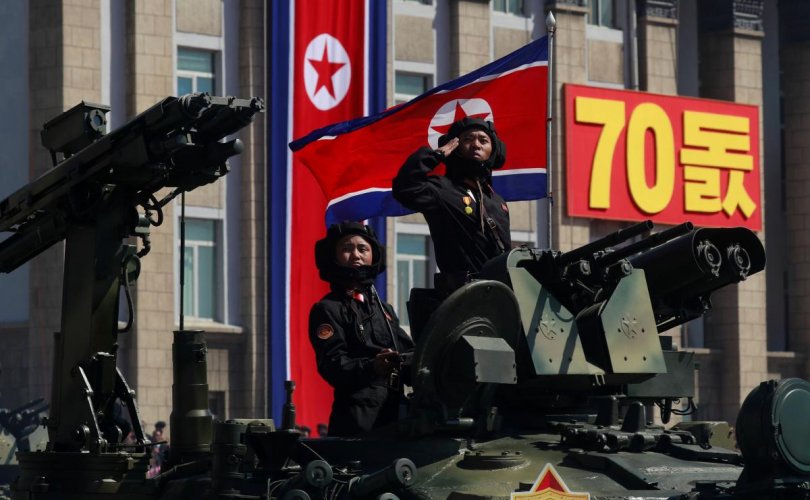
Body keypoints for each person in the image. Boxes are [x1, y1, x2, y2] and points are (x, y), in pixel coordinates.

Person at [309, 222, 414, 437]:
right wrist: (372, 366)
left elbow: (409, 352)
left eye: (363, 249)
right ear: (334, 256)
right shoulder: (328, 309)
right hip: (356, 422)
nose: (356, 255)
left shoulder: (384, 309)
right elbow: (332, 365)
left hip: (396, 418)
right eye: (347, 249)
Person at [393, 117, 511, 292]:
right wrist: (435, 156)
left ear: (495, 150)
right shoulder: (442, 189)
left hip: (499, 296)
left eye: (483, 140)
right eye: (467, 139)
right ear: (455, 146)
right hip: (460, 296)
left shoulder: (497, 201)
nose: (476, 145)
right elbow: (405, 187)